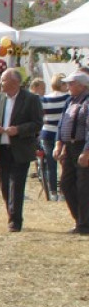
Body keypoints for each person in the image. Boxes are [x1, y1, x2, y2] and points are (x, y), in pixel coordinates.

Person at [0, 69, 43, 233]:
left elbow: (37, 123)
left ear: (15, 82)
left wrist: (18, 129)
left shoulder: (30, 99)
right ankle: (11, 213)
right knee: (4, 186)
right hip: (1, 148)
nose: (0, 83)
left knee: (16, 186)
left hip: (20, 149)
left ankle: (15, 221)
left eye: (3, 80)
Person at [53, 71, 89, 235]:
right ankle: (79, 219)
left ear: (82, 85)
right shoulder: (70, 100)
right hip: (70, 147)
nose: (68, 86)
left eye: (71, 83)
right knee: (67, 184)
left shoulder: (87, 102)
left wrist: (87, 151)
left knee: (83, 186)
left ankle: (84, 224)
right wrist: (58, 144)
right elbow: (61, 125)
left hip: (83, 147)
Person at [40, 73, 69, 201]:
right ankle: (63, 192)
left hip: (47, 132)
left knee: (51, 165)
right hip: (62, 134)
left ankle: (52, 192)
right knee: (65, 164)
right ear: (61, 84)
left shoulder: (44, 99)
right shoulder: (68, 98)